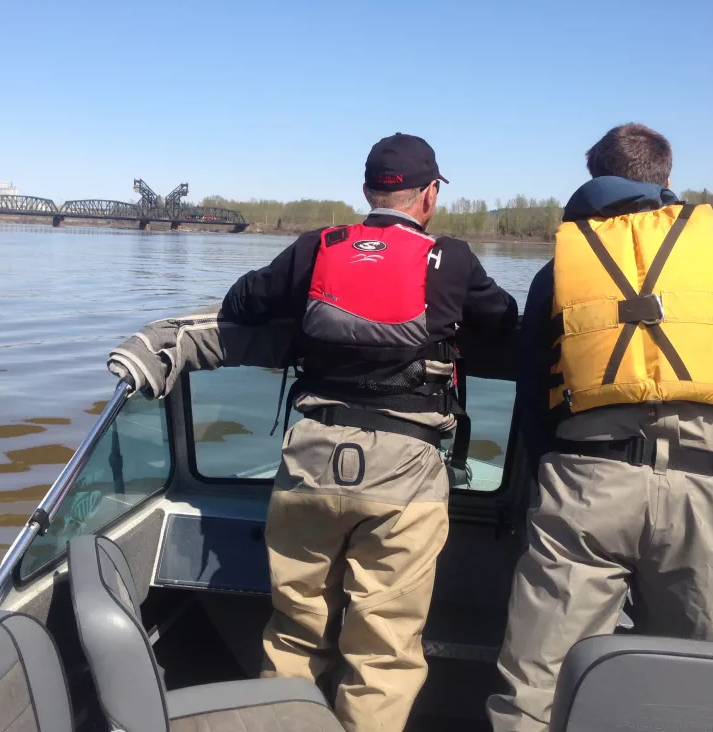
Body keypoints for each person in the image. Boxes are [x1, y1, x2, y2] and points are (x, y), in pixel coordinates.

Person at [487, 123, 713, 732]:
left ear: (595, 182)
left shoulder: (559, 266)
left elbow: (534, 393)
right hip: (705, 493)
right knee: (691, 687)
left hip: (585, 487)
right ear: (667, 180)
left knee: (537, 683)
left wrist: (550, 470)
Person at [221, 133, 519, 732]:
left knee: (293, 634)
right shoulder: (452, 261)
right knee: (382, 652)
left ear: (366, 191)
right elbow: (507, 321)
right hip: (404, 473)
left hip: (310, 460)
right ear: (429, 196)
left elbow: (241, 302)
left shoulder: (316, 248)